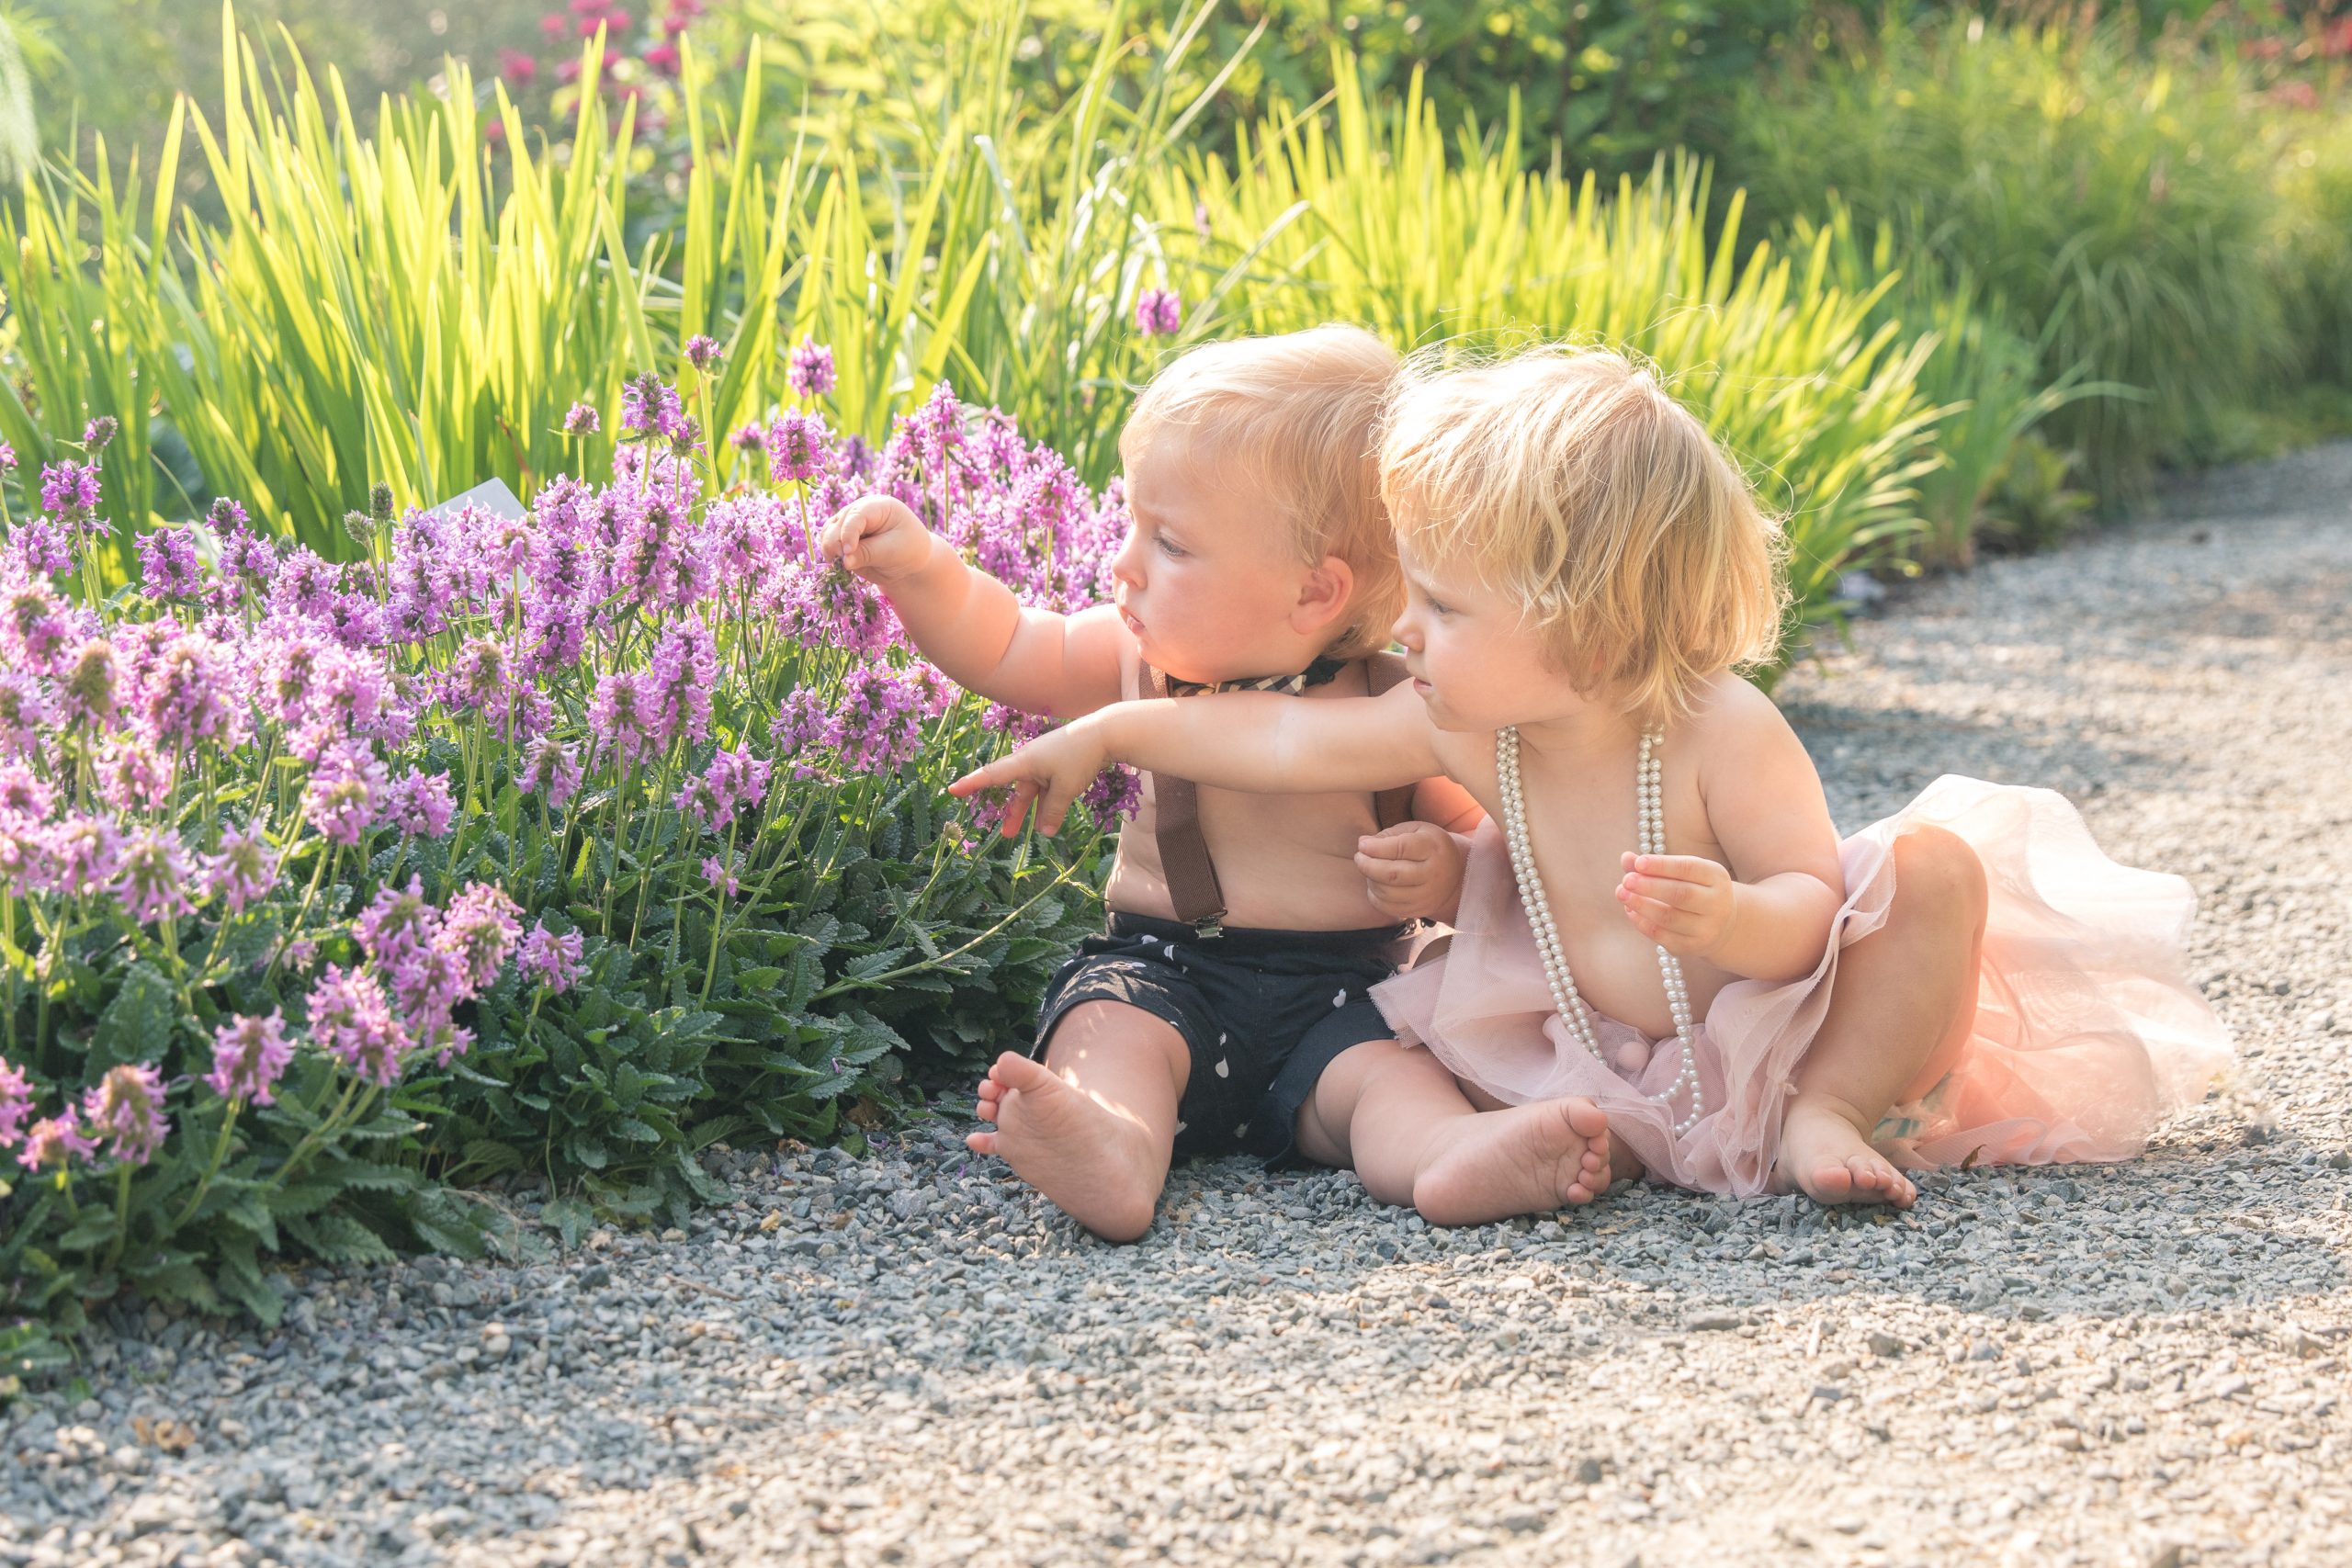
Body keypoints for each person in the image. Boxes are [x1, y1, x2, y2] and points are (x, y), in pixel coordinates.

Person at [951, 344, 2234, 1209]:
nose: (1405, 633)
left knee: (1932, 875)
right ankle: (1451, 1159)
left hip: (1781, 1023)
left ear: (1586, 631)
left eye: (1443, 607)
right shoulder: (1465, 726)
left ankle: (1828, 1114)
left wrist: (1732, 915)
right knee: (1452, 1094)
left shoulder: (1721, 729)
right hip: (1606, 1051)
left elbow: (1808, 896)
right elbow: (1278, 740)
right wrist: (1111, 734)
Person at [816, 324, 1565, 1242]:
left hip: (1344, 994)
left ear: (1312, 593)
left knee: (1389, 1083)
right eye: (1130, 523)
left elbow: (1499, 842)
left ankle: (1446, 1156)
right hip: (1164, 966)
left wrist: (1447, 869)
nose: (1122, 562)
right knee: (1107, 1030)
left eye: (1167, 543)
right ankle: (1114, 1145)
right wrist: (923, 568)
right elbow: (1008, 643)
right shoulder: (1136, 659)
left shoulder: (1394, 701)